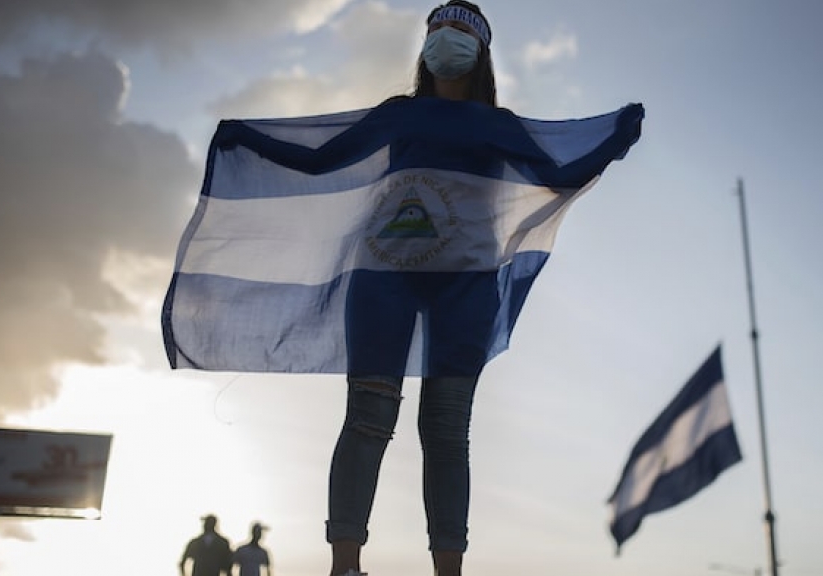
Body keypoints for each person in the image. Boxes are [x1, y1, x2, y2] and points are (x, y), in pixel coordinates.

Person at [211, 2, 642, 575]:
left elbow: (558, 176)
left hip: (465, 284)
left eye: (462, 27)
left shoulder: (499, 125)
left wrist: (617, 137)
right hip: (383, 276)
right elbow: (320, 161)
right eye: (438, 26)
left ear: (481, 49)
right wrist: (249, 138)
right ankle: (345, 565)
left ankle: (448, 571)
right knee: (367, 416)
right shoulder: (398, 114)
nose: (447, 37)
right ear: (425, 44)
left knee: (444, 431)